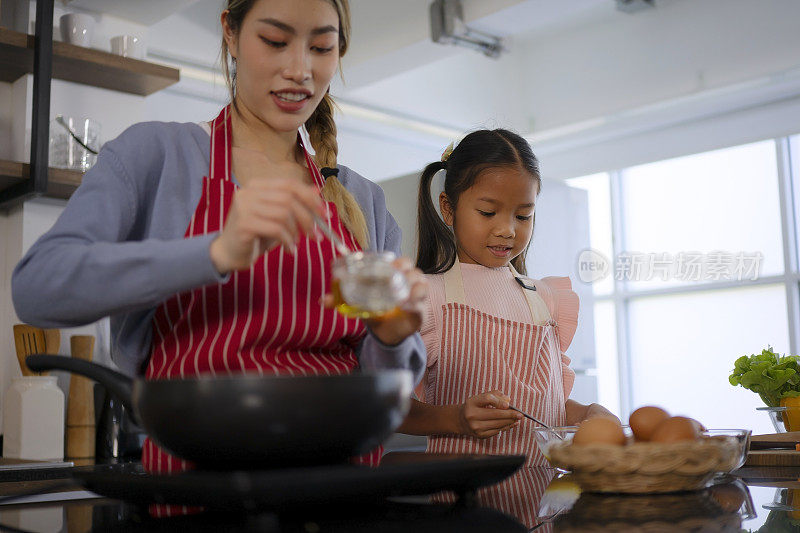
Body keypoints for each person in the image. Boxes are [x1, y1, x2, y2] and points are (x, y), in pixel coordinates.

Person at [12, 0, 427, 475]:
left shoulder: (362, 201)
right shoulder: (155, 156)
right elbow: (37, 288)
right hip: (201, 485)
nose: (299, 69)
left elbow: (388, 385)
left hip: (343, 485)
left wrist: (394, 336)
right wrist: (214, 251)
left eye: (321, 47)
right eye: (274, 41)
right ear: (230, 32)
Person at [397, 129, 616, 466]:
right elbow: (390, 408)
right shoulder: (425, 296)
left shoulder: (545, 298)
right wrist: (455, 419)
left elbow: (548, 409)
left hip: (544, 504)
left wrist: (589, 412)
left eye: (523, 215)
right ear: (448, 208)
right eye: (488, 212)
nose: (508, 230)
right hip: (464, 504)